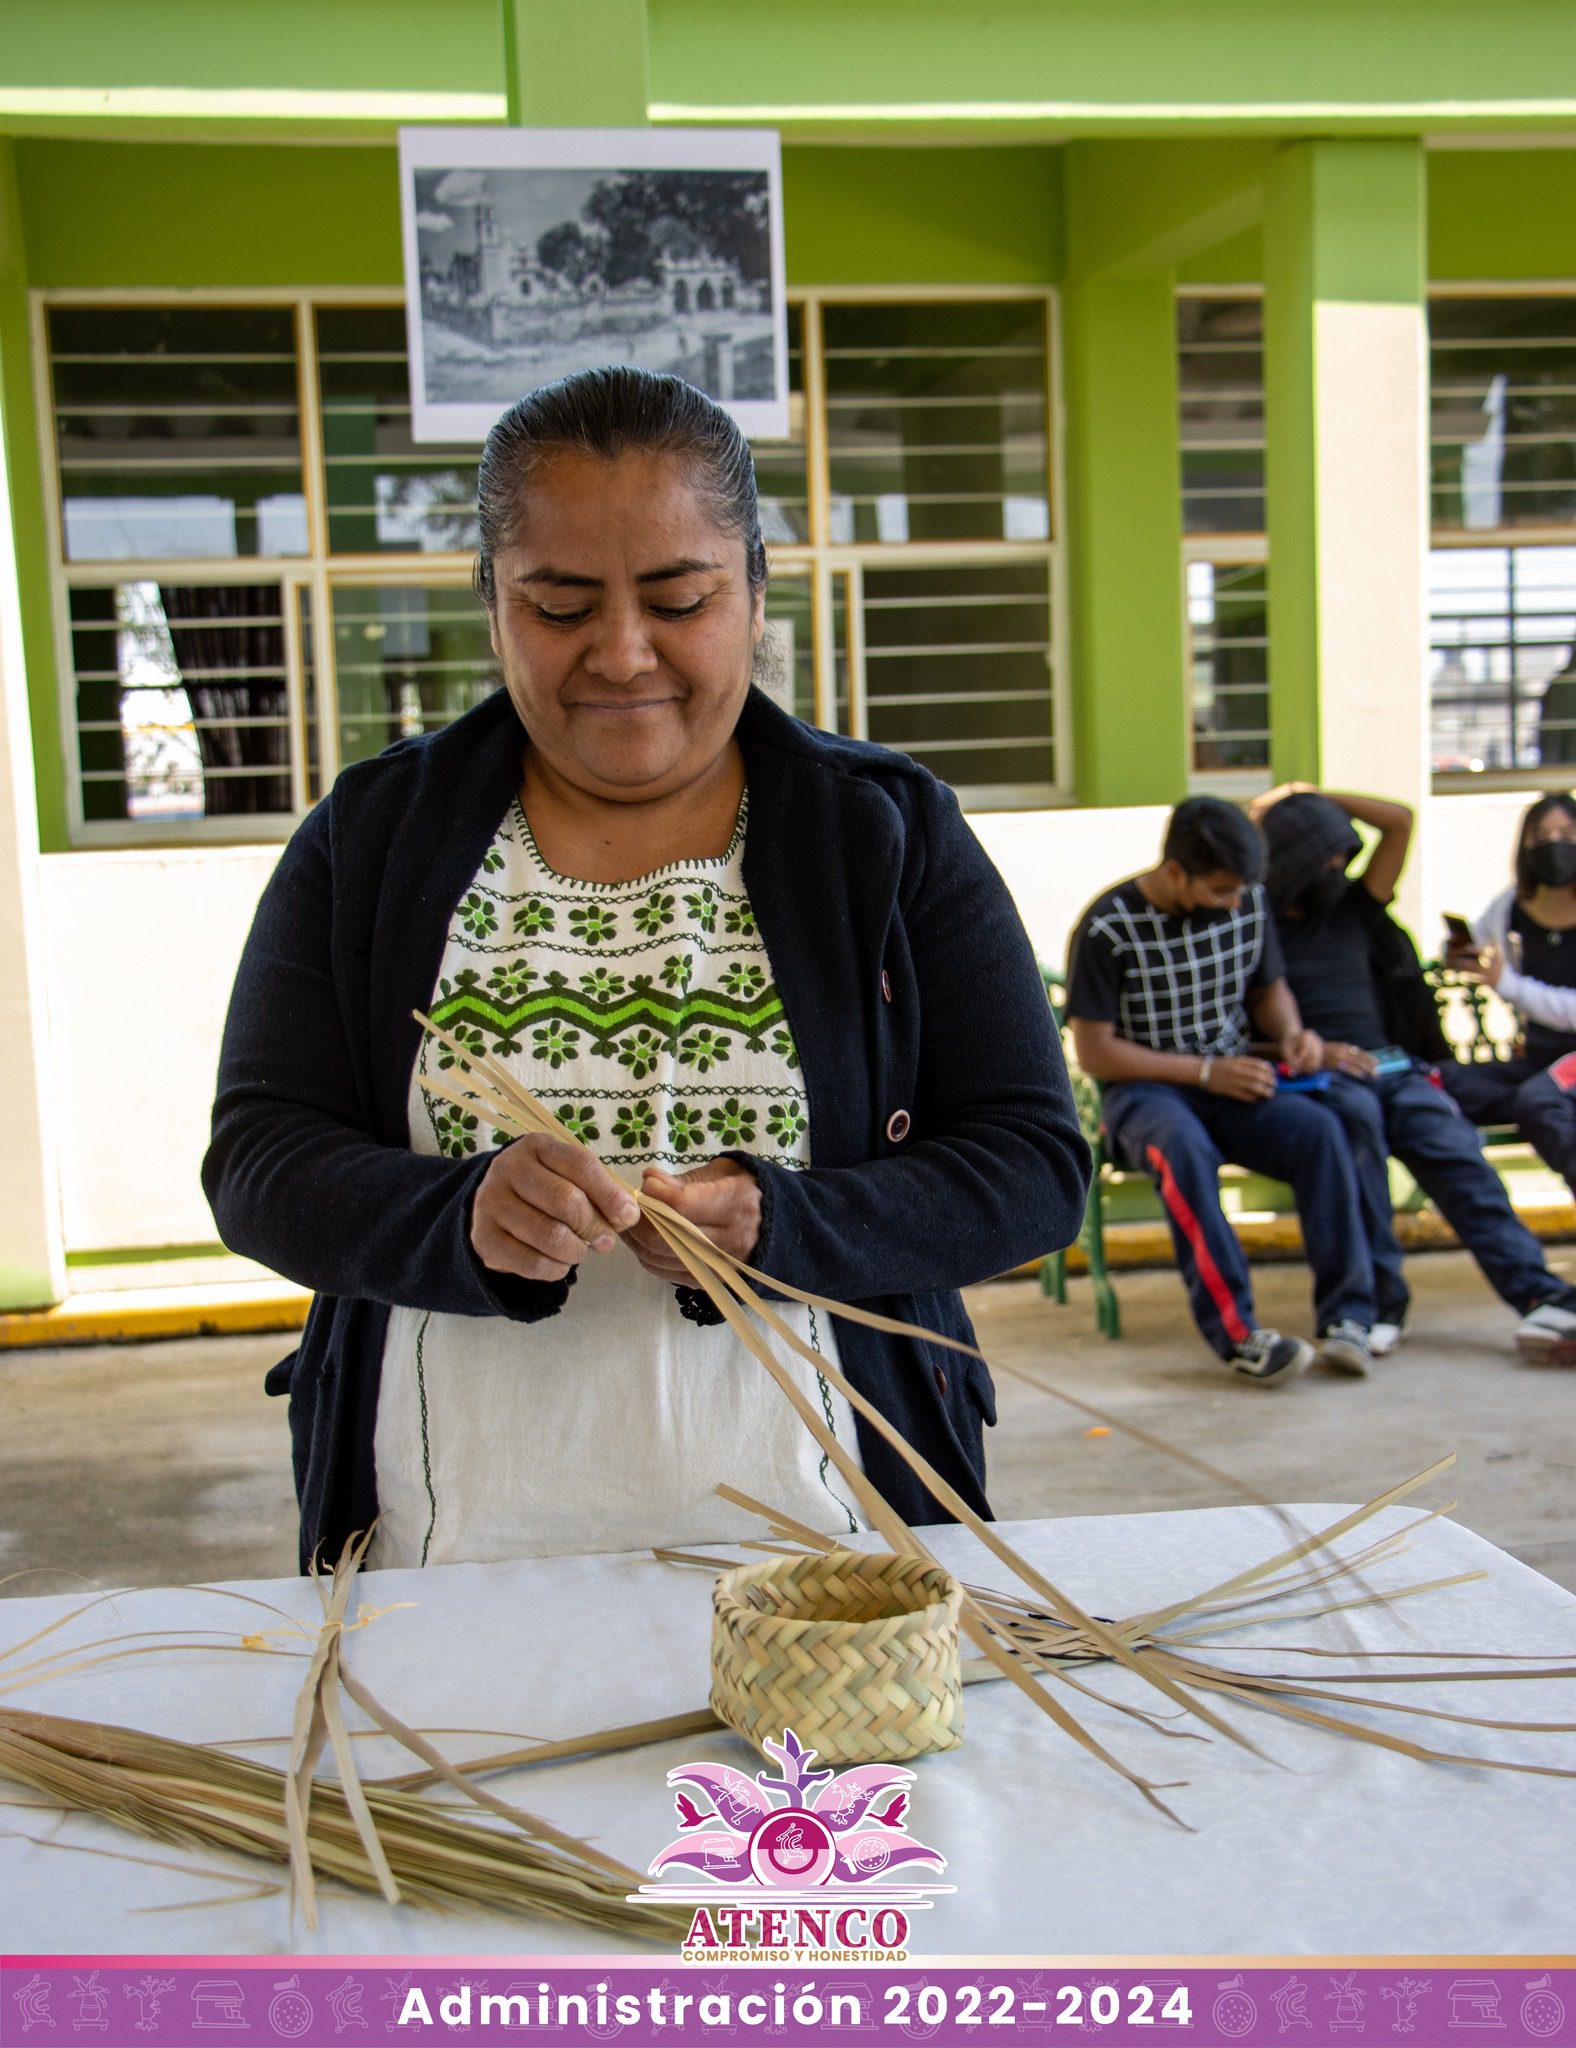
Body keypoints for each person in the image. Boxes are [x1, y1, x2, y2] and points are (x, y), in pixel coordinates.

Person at [204, 367, 1090, 1572]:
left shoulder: (882, 833)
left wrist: (788, 1218)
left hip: (838, 1569)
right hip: (447, 1562)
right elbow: (260, 1159)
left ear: (757, 591)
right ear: (492, 601)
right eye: (559, 606)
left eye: (678, 598)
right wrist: (455, 1212)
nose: (622, 656)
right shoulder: (373, 839)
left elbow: (1031, 1169)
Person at [1257, 784, 1576, 1367]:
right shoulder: (1254, 921)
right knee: (1357, 1134)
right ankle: (1380, 1305)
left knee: (1452, 1148)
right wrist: (1314, 1051)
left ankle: (1540, 1294)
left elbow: (1400, 822)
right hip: (1320, 1075)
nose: (1339, 866)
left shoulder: (1353, 907)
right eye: (1327, 853)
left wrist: (1315, 794)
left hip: (1394, 1066)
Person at [1065, 797, 1377, 1387]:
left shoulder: (1249, 898)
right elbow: (1095, 1050)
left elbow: (1269, 990)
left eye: (1240, 891)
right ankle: (1239, 1335)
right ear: (1176, 870)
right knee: (1182, 1147)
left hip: (1233, 1078)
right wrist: (1204, 1072)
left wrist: (1292, 1034)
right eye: (1219, 890)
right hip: (1145, 1092)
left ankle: (1349, 1316)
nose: (1233, 903)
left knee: (1321, 1132)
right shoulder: (1108, 925)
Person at [1442, 792, 1576, 1204]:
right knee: (1438, 1081)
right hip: (1537, 1059)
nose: (1553, 845)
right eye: (1541, 836)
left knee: (1540, 1103)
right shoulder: (1511, 907)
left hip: (1565, 1068)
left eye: (1566, 834)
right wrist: (1457, 954)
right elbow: (1477, 944)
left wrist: (1507, 985)